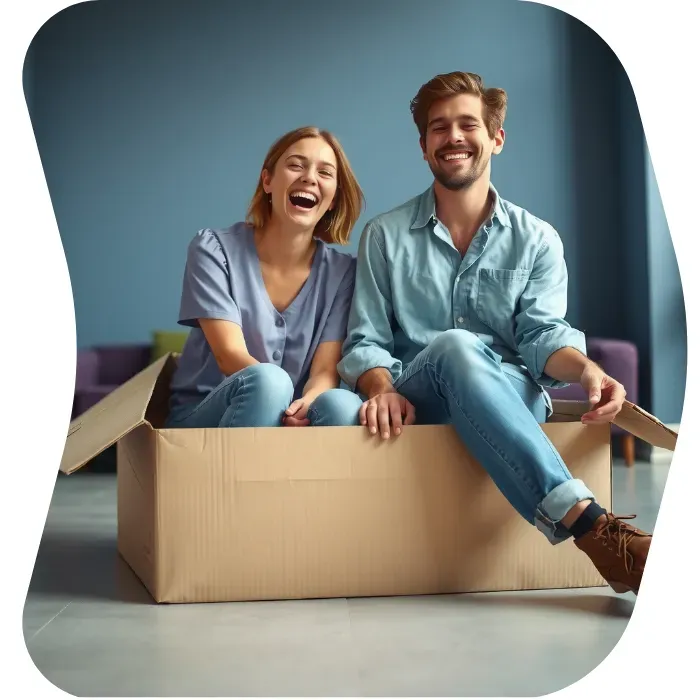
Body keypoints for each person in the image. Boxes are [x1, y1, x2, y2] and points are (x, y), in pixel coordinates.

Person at [338, 72, 651, 596]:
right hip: (419, 399)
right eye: (439, 128)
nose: (453, 136)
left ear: (496, 138)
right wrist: (380, 388)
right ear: (424, 147)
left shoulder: (537, 240)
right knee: (455, 346)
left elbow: (543, 335)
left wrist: (589, 370)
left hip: (512, 395)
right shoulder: (383, 236)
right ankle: (592, 527)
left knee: (485, 367)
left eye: (467, 124)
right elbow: (364, 341)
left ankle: (589, 527)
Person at [166, 126, 365, 430]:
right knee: (270, 383)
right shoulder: (213, 249)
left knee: (342, 404)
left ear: (334, 199)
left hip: (292, 418)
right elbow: (229, 355)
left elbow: (325, 370)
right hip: (207, 417)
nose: (310, 177)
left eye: (325, 173)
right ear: (268, 180)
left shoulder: (343, 273)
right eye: (296, 165)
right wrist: (279, 403)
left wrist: (305, 405)